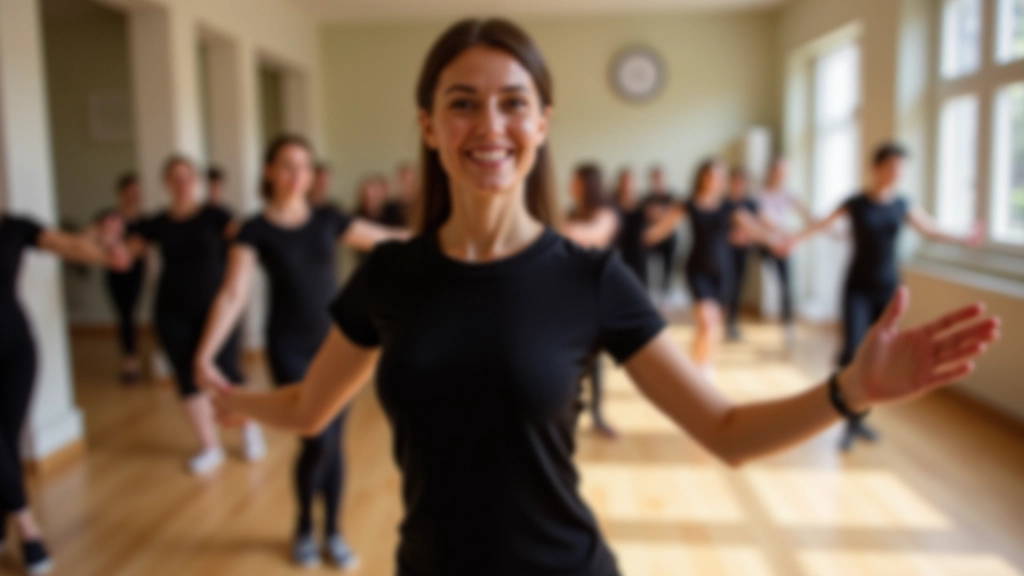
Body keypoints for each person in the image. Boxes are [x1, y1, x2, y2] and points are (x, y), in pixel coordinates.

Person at [203, 19, 1000, 576]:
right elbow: (312, 407)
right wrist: (238, 400)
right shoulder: (389, 277)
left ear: (542, 123)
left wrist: (850, 390)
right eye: (463, 101)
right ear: (430, 125)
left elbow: (722, 429)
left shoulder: (588, 279)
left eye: (513, 101)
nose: (490, 122)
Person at [195, 135, 408, 568]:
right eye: (288, 165)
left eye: (305, 167)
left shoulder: (328, 219)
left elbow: (390, 239)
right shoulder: (254, 228)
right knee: (316, 438)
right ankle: (304, 528)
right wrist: (205, 354)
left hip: (338, 343)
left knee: (333, 442)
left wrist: (453, 231)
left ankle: (332, 531)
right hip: (288, 346)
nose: (297, 175)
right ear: (270, 171)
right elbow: (233, 293)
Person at [787, 142, 986, 451]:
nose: (897, 173)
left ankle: (859, 420)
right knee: (853, 350)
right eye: (892, 166)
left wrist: (964, 237)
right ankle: (848, 422)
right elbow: (821, 224)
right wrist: (793, 241)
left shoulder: (903, 204)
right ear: (877, 167)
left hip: (889, 288)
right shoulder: (855, 202)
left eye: (902, 168)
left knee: (876, 355)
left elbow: (930, 230)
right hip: (857, 288)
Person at [1, 209, 127, 575]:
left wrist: (104, 253)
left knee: (8, 437)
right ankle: (27, 529)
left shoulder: (14, 227)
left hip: (14, 348)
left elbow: (70, 245)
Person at [127, 155, 263, 475]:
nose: (182, 183)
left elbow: (247, 243)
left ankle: (248, 430)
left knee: (227, 369)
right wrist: (110, 233)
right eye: (175, 177)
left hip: (217, 308)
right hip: (171, 309)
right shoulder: (156, 222)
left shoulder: (217, 215)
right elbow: (124, 252)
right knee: (187, 376)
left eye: (187, 176)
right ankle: (209, 446)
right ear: (166, 183)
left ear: (197, 181)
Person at [645, 159, 781, 380]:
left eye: (720, 176)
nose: (716, 180)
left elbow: (753, 228)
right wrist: (639, 237)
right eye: (711, 175)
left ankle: (703, 365)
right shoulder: (688, 203)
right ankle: (698, 375)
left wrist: (774, 240)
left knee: (712, 326)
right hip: (697, 270)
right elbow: (662, 228)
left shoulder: (729, 206)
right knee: (707, 321)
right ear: (702, 177)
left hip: (723, 272)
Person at [562, 163, 622, 439]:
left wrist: (552, 226)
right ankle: (568, 412)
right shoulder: (570, 213)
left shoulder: (606, 213)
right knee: (571, 358)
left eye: (574, 181)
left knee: (594, 360)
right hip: (569, 293)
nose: (570, 185)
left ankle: (596, 414)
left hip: (596, 294)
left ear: (587, 184)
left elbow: (594, 234)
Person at [756, 157, 813, 343]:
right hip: (764, 243)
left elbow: (808, 214)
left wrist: (820, 226)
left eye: (784, 172)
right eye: (778, 171)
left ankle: (787, 325)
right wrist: (784, 234)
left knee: (786, 286)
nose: (781, 175)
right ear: (771, 172)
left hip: (784, 245)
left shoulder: (790, 194)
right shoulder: (760, 195)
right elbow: (763, 220)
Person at [102, 172, 146, 382]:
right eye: (129, 192)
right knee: (124, 314)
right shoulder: (110, 217)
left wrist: (127, 251)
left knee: (130, 313)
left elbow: (144, 246)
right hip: (115, 273)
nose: (132, 196)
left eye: (135, 192)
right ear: (121, 193)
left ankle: (134, 360)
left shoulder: (144, 221)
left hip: (137, 272)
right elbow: (99, 240)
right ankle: (130, 360)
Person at [725, 167, 759, 341]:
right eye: (736, 181)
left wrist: (747, 237)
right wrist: (730, 237)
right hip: (724, 252)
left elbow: (757, 227)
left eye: (742, 181)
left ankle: (731, 323)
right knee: (725, 287)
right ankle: (719, 320)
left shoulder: (751, 204)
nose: (738, 185)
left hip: (742, 252)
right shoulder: (723, 203)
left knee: (737, 288)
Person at [643, 166, 677, 303]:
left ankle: (665, 294)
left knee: (668, 267)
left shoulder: (672, 196)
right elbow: (647, 214)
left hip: (669, 238)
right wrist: (662, 213)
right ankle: (649, 293)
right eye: (655, 177)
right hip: (651, 239)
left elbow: (672, 217)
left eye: (660, 177)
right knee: (647, 265)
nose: (658, 180)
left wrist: (658, 213)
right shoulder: (646, 197)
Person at [613, 167, 648, 286]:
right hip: (619, 248)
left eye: (630, 182)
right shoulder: (612, 204)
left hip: (637, 250)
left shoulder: (643, 204)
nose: (627, 185)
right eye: (625, 182)